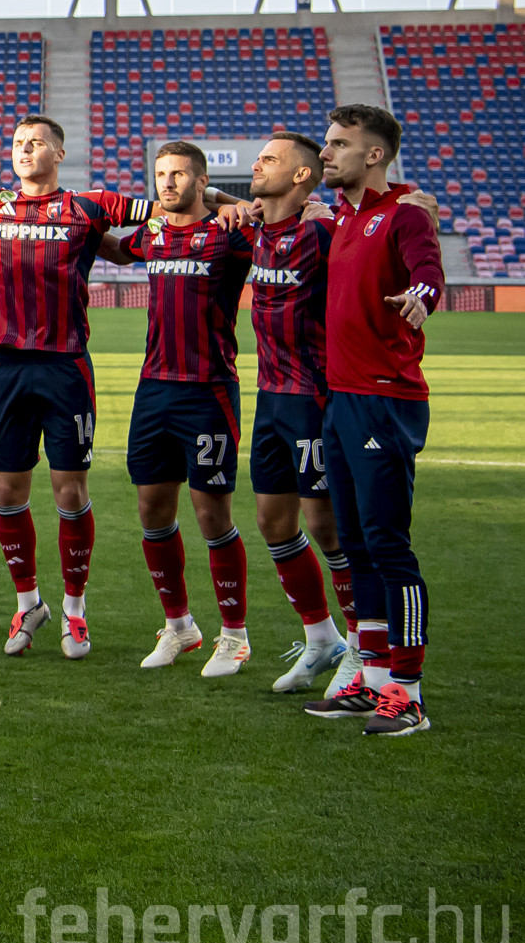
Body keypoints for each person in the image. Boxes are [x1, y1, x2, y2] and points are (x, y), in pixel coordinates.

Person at [0, 117, 147, 660]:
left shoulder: (90, 206)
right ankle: (28, 604)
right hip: (6, 367)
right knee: (8, 492)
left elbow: (168, 204)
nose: (25, 150)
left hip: (65, 367)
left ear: (60, 151)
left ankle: (74, 609)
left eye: (36, 143)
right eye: (17, 143)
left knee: (69, 492)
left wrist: (227, 204)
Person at [305, 104, 443, 736]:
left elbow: (428, 272)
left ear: (375, 153)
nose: (326, 153)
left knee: (388, 545)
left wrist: (421, 297)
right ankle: (374, 677)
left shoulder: (407, 213)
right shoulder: (344, 216)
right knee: (356, 544)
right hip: (342, 398)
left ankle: (408, 694)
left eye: (339, 144)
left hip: (384, 399)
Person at [98, 143, 257, 675]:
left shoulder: (231, 232)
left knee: (212, 515)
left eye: (179, 174)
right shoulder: (153, 232)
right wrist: (73, 223)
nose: (166, 182)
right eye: (160, 174)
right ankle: (179, 626)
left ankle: (234, 635)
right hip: (154, 389)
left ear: (202, 180)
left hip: (208, 391)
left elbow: (282, 225)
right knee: (152, 510)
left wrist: (229, 201)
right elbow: (118, 250)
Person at [223, 132, 357, 694]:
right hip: (271, 397)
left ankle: (363, 645)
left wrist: (416, 202)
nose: (257, 165)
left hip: (316, 396)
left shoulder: (324, 230)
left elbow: (381, 232)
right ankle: (322, 638)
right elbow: (210, 201)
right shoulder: (255, 228)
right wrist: (228, 205)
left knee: (326, 524)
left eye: (270, 160)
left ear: (302, 175)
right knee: (273, 521)